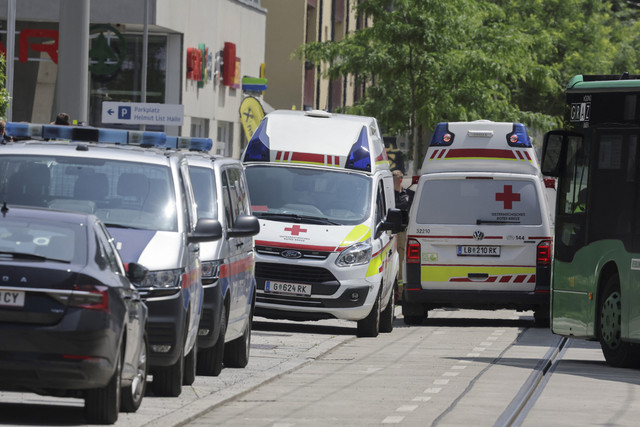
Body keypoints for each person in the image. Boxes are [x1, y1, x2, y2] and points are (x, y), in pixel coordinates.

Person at [392, 169, 414, 304]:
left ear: (400, 180)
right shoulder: (388, 195)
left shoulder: (409, 195)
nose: (392, 182)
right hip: (391, 232)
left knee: (401, 262)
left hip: (403, 232)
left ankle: (400, 294)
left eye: (394, 179)